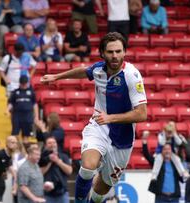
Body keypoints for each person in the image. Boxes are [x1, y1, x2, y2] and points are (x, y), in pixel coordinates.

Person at [40, 32, 147, 203]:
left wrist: (111, 118)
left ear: (124, 52)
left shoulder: (131, 76)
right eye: (110, 52)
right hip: (99, 126)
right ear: (102, 53)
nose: (115, 56)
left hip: (123, 139)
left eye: (118, 51)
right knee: (88, 166)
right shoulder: (98, 69)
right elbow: (84, 71)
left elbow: (142, 114)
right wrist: (56, 77)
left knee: (100, 190)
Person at [7, 75, 39, 144]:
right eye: (22, 83)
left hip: (28, 115)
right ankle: (17, 147)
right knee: (15, 134)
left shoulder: (31, 92)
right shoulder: (15, 92)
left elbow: (35, 104)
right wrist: (7, 110)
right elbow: (11, 103)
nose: (24, 85)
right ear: (20, 83)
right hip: (17, 115)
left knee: (26, 135)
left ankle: (25, 149)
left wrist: (36, 116)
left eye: (25, 83)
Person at [39, 136, 72, 203]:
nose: (52, 145)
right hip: (47, 194)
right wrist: (49, 161)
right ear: (45, 145)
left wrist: (58, 161)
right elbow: (39, 173)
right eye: (49, 143)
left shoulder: (63, 156)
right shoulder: (41, 158)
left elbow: (69, 171)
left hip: (62, 193)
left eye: (54, 142)